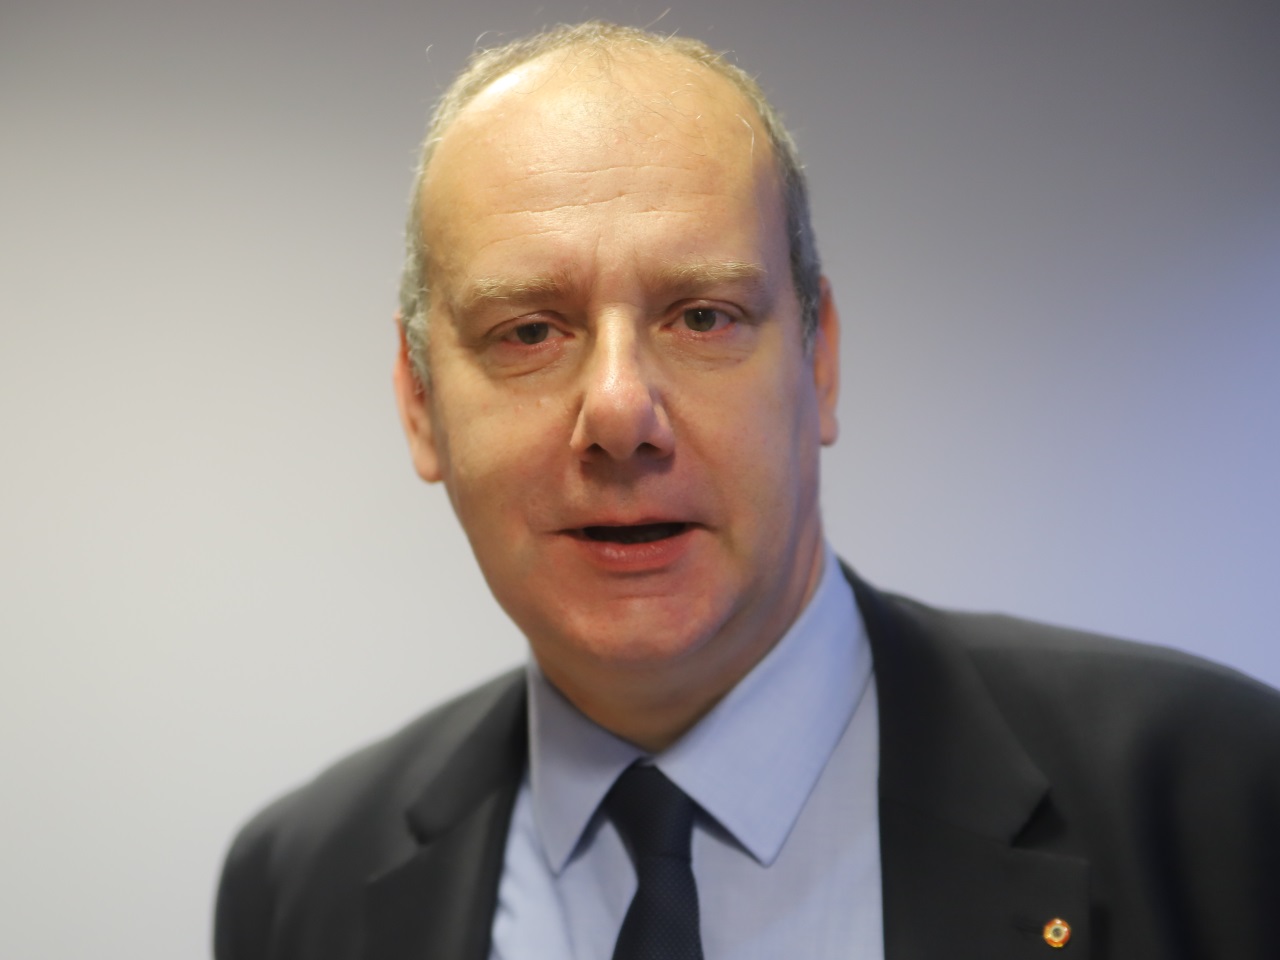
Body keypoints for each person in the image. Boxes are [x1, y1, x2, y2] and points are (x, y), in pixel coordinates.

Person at [214, 21, 1280, 960]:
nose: (619, 413)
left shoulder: (1220, 796)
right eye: (529, 331)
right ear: (419, 404)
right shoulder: (298, 885)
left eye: (702, 316)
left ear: (819, 361)